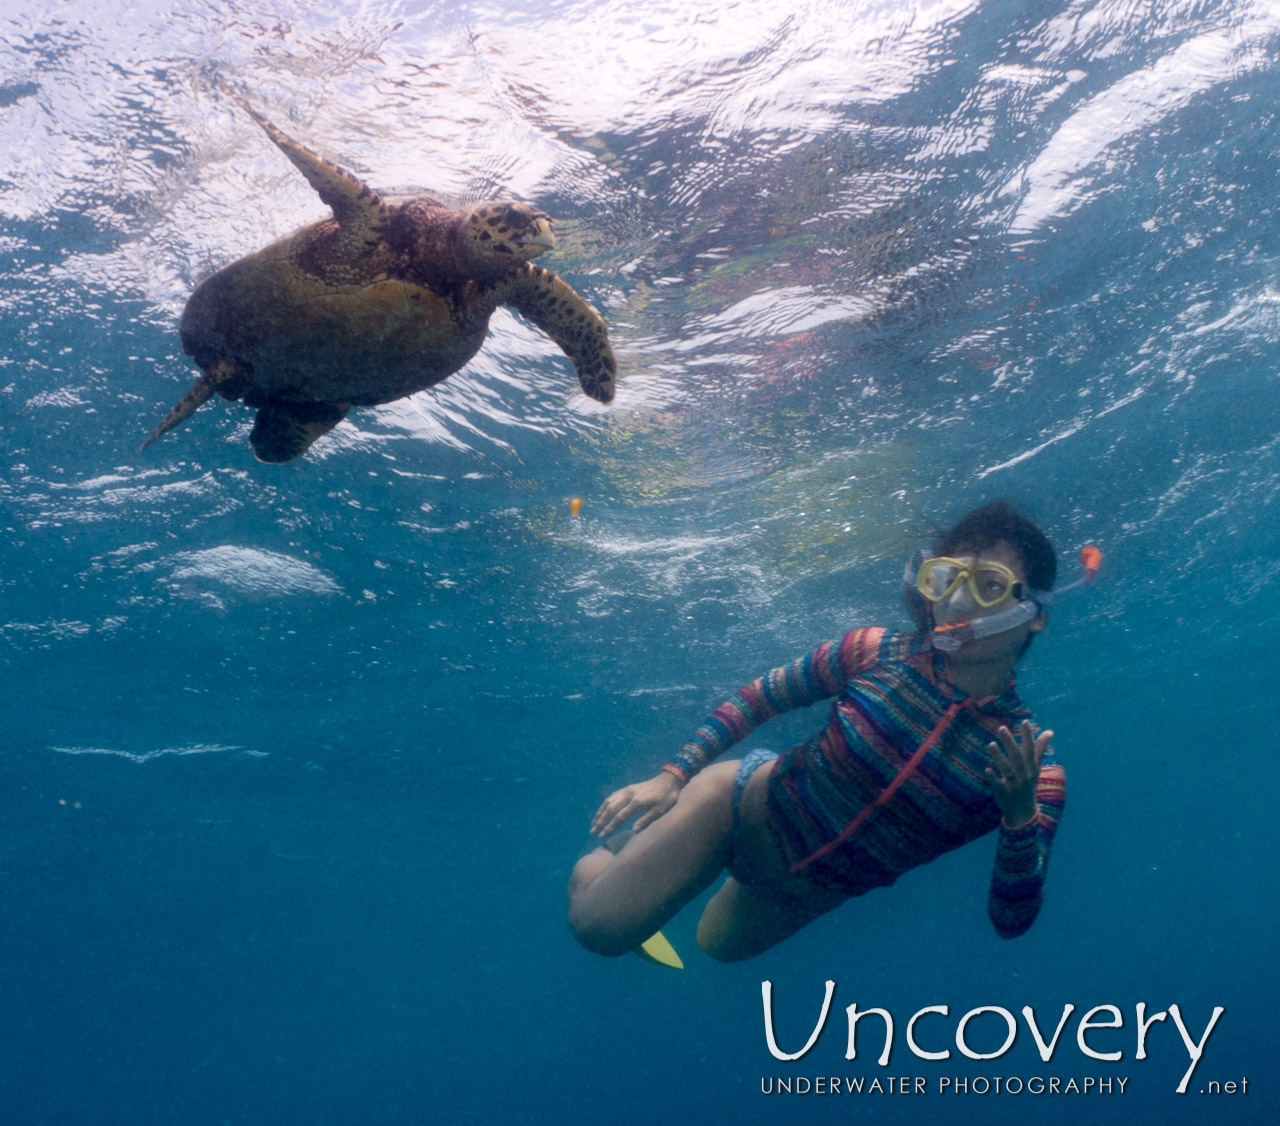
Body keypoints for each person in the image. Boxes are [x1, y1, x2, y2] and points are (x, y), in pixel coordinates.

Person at [568, 501, 1076, 963]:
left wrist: (1018, 818)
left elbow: (1012, 922)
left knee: (716, 947)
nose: (960, 603)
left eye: (988, 585)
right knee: (598, 931)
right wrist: (673, 775)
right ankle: (611, 859)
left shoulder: (1036, 771)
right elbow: (759, 697)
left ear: (1035, 618)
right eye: (946, 579)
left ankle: (651, 867)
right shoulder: (874, 650)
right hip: (738, 808)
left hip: (805, 893)